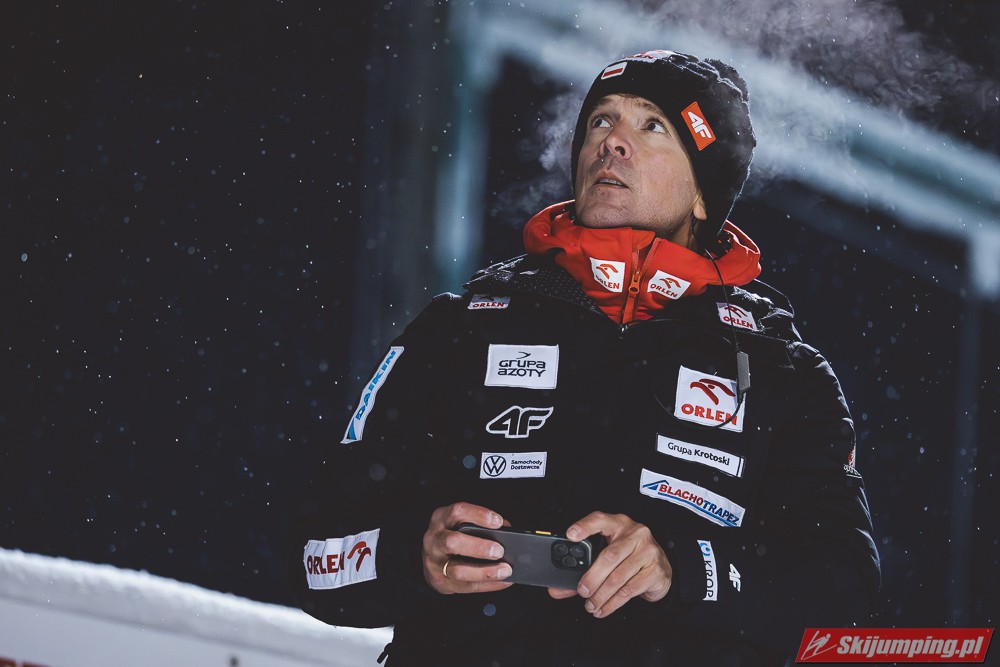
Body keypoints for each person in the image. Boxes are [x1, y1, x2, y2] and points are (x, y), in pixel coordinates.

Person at [287, 49, 880, 666]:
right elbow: (312, 558)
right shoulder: (458, 329)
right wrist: (413, 554)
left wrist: (681, 568)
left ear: (704, 195)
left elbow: (844, 600)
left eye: (652, 125)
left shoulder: (785, 373)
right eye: (601, 120)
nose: (613, 142)